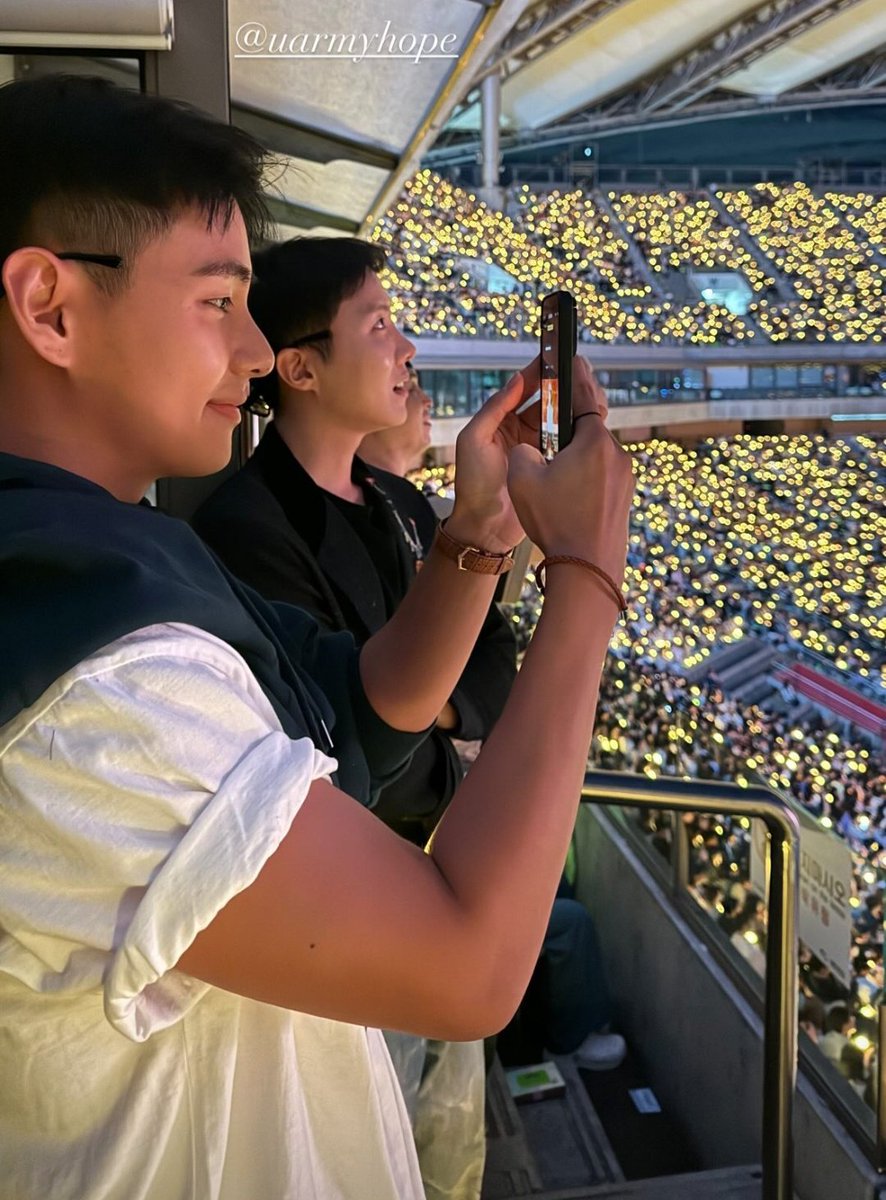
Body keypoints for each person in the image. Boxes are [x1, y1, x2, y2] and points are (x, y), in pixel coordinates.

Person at [0, 74, 635, 1200]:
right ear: (50, 306)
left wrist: (482, 530)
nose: (251, 353)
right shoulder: (95, 677)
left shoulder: (104, 555)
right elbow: (469, 962)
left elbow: (357, 698)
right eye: (217, 302)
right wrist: (586, 575)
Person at [193, 254, 517, 1198]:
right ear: (298, 368)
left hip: (431, 875)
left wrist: (429, 700)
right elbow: (344, 748)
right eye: (377, 325)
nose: (406, 347)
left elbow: (493, 668)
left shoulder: (404, 504)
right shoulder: (248, 526)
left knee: (442, 1157)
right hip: (352, 906)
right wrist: (431, 707)